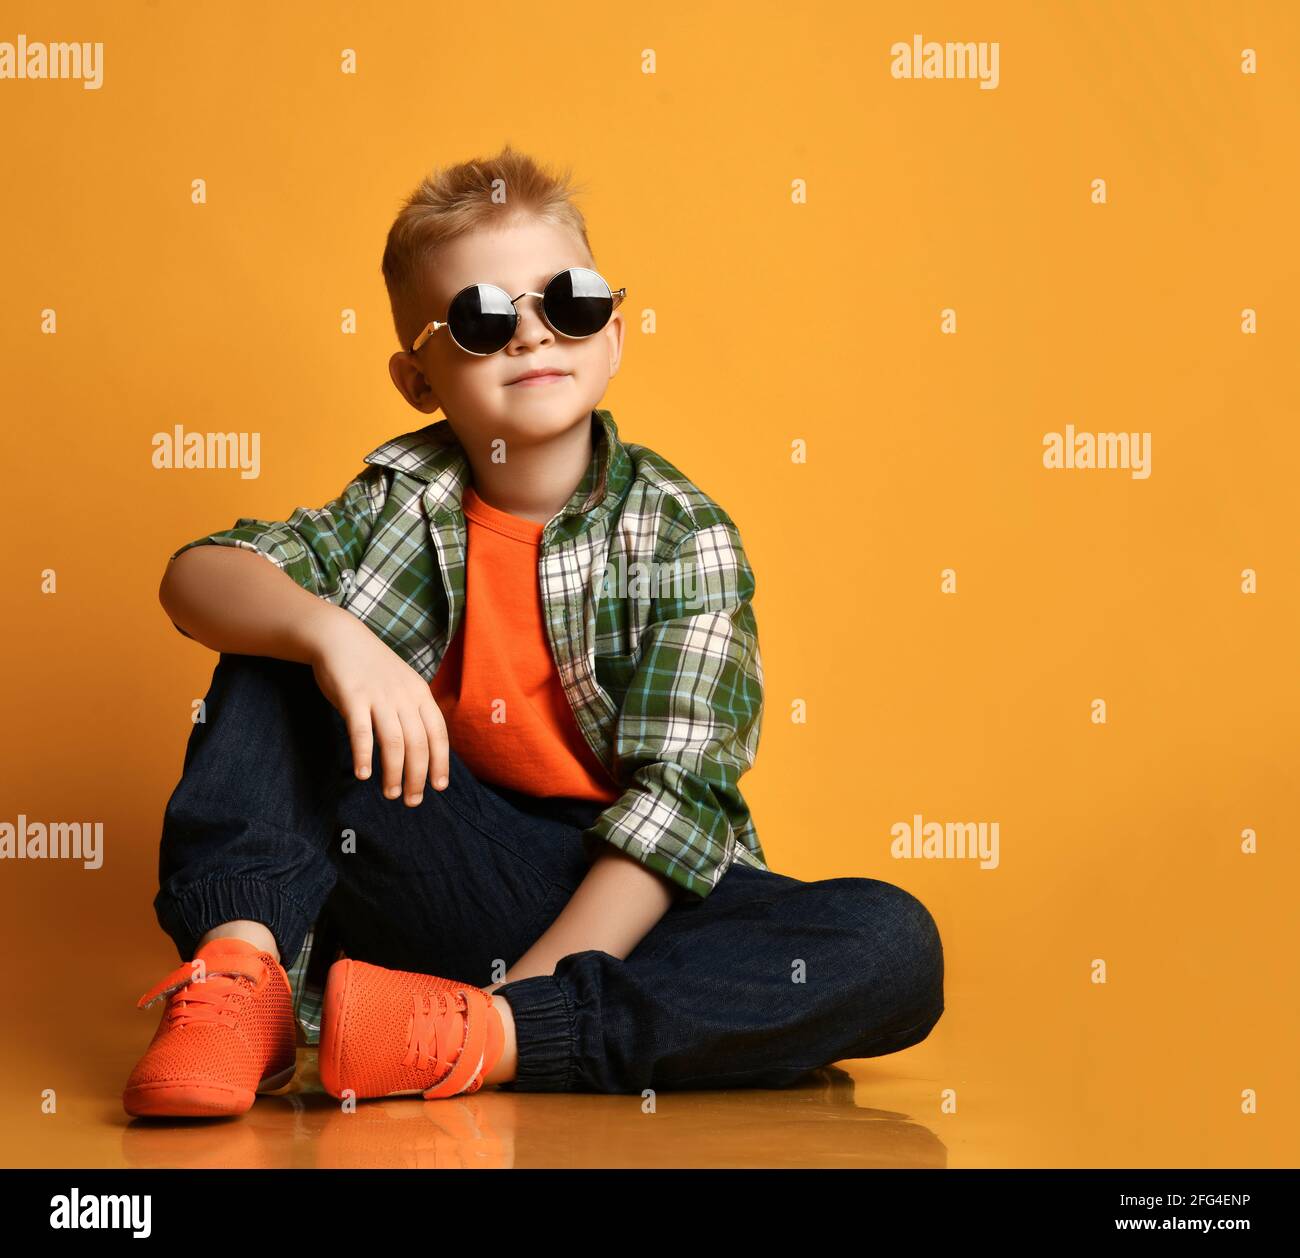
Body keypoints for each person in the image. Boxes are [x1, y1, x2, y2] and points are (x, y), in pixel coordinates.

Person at [123, 144, 944, 1117]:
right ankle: (240, 981)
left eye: (572, 302)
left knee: (890, 943)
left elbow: (677, 814)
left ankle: (488, 1040)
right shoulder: (397, 502)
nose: (532, 336)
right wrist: (329, 635)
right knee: (273, 643)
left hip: (628, 898)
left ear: (615, 334)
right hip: (446, 860)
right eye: (479, 318)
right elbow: (197, 578)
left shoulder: (683, 535)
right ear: (417, 375)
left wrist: (517, 1002)